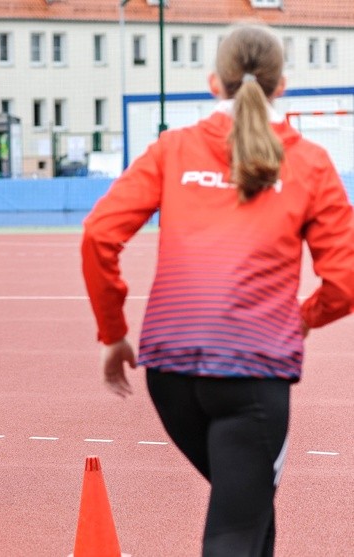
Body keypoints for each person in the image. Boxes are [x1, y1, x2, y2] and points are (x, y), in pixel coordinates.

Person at [81, 23, 354, 556]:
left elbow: (98, 235)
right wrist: (302, 316)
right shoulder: (309, 162)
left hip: (170, 371)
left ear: (213, 83)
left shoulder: (174, 149)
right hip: (252, 372)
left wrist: (113, 334)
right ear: (281, 86)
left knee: (249, 509)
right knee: (236, 525)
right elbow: (344, 282)